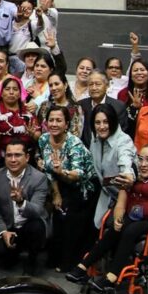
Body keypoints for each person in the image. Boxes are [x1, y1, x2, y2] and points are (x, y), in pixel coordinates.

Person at [68, 144, 148, 294]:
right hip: (130, 218)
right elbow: (120, 203)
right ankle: (82, 266)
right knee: (114, 229)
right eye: (140, 159)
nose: (143, 164)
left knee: (130, 231)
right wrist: (118, 217)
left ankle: (112, 277)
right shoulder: (131, 180)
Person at [37, 105, 97, 271]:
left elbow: (78, 174)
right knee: (57, 215)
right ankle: (54, 258)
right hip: (59, 183)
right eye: (51, 120)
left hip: (83, 186)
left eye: (59, 120)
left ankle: (69, 262)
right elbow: (50, 171)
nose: (54, 124)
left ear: (66, 124)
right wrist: (56, 193)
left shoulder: (74, 144)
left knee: (70, 220)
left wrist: (61, 172)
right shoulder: (43, 140)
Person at [0, 141, 50, 275]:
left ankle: (32, 259)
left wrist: (21, 202)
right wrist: (3, 232)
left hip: (29, 225)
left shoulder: (39, 178)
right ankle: (13, 253)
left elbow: (38, 211)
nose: (13, 159)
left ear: (27, 157)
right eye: (9, 155)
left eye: (17, 155)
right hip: (9, 226)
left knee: (37, 226)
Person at [86, 104, 136, 232]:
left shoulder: (123, 141)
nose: (101, 127)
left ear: (113, 122)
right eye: (97, 123)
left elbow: (125, 160)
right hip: (106, 193)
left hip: (126, 196)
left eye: (106, 122)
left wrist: (127, 174)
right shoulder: (95, 139)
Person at [0, 77, 39, 169]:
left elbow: (38, 135)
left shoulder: (28, 110)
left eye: (15, 89)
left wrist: (33, 134)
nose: (11, 92)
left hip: (26, 159)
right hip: (2, 159)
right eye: (7, 89)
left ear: (19, 94)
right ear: (1, 93)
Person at [78, 71, 129, 145]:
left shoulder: (118, 107)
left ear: (107, 85)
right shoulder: (81, 105)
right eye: (91, 84)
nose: (94, 88)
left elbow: (121, 136)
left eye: (98, 84)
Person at [36, 72, 84, 139]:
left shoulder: (75, 108)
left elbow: (76, 135)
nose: (53, 88)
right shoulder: (45, 106)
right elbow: (39, 130)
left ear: (65, 85)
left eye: (56, 84)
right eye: (50, 85)